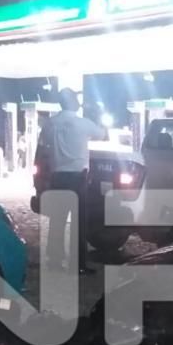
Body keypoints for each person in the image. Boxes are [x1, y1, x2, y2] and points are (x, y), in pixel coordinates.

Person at [39, 88, 105, 274]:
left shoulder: (50, 124)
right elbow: (101, 134)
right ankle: (78, 265)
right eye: (76, 98)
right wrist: (97, 113)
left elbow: (45, 144)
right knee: (79, 222)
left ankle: (54, 261)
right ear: (72, 102)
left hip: (57, 177)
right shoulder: (83, 123)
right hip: (78, 178)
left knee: (57, 221)